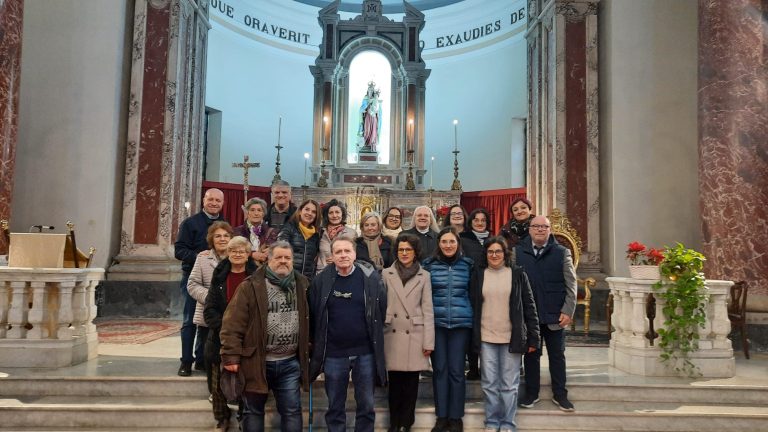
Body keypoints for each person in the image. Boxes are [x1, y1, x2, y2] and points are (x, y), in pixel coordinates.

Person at [220, 241, 311, 432]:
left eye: (287, 258)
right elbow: (232, 324)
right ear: (268, 260)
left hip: (289, 363)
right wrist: (231, 355)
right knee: (253, 412)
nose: (283, 261)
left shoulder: (302, 284)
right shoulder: (250, 286)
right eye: (278, 257)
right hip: (256, 361)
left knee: (292, 411)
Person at [309, 237, 387, 432]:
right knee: (335, 406)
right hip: (334, 353)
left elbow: (380, 310)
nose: (343, 255)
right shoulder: (320, 280)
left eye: (347, 251)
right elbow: (314, 313)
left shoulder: (370, 278)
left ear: (354, 254)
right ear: (332, 255)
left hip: (365, 353)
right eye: (338, 252)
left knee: (366, 405)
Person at [471, 237, 539, 432]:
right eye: (490, 252)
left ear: (505, 253)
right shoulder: (478, 274)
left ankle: (508, 423)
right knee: (489, 384)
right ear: (486, 254)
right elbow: (473, 305)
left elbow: (529, 306)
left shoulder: (517, 274)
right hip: (486, 337)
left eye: (498, 251)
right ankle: (492, 422)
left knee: (509, 384)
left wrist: (533, 337)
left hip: (511, 337)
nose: (494, 255)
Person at [515, 215, 577, 412]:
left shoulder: (562, 252)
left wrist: (568, 310)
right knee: (531, 355)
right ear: (530, 229)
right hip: (530, 316)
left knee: (557, 356)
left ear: (550, 230)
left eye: (544, 226)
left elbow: (571, 284)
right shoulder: (518, 252)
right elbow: (514, 285)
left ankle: (560, 394)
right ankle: (531, 394)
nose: (540, 229)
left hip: (555, 314)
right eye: (536, 226)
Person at [203, 236, 258, 431]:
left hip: (247, 339)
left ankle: (244, 417)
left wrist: (244, 331)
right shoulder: (219, 275)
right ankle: (222, 419)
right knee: (217, 386)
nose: (237, 254)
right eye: (233, 251)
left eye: (241, 251)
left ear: (248, 254)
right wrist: (226, 329)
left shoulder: (256, 277)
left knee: (246, 384)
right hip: (220, 339)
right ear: (227, 253)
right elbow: (209, 309)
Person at [422, 227, 474, 432]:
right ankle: (442, 416)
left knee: (457, 371)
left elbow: (473, 294)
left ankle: (456, 417)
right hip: (437, 325)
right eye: (444, 241)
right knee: (440, 370)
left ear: (458, 243)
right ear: (439, 244)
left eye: (452, 241)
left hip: (461, 325)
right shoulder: (428, 265)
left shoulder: (468, 265)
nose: (448, 245)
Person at [382, 233, 434, 432]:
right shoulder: (386, 274)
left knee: (411, 384)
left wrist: (429, 342)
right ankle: (394, 423)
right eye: (401, 249)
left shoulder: (424, 276)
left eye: (408, 250)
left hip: (415, 334)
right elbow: (381, 304)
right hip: (392, 333)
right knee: (394, 384)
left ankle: (406, 423)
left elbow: (428, 310)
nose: (404, 253)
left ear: (415, 252)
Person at [174, 187, 225, 377]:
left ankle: (202, 358)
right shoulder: (190, 223)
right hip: (193, 277)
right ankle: (186, 361)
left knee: (209, 320)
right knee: (190, 320)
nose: (214, 203)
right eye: (210, 199)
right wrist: (199, 257)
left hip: (217, 279)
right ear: (204, 200)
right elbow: (179, 251)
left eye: (218, 200)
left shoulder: (225, 224)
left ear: (222, 203)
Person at [187, 221, 233, 390]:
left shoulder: (236, 257)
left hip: (232, 313)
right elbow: (192, 284)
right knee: (211, 355)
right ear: (211, 239)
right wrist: (211, 298)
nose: (222, 239)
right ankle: (214, 390)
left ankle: (230, 389)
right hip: (209, 313)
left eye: (226, 236)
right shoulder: (202, 258)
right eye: (218, 236)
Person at [459, 208, 491, 381]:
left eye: (483, 220)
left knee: (487, 329)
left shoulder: (493, 240)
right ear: (470, 222)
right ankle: (472, 368)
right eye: (476, 220)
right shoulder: (463, 239)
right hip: (469, 289)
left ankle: (487, 367)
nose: (479, 223)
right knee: (472, 329)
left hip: (491, 290)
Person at [278, 199, 321, 281]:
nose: (309, 213)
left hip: (306, 281)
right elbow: (280, 251)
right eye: (307, 209)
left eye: (314, 212)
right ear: (300, 211)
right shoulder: (289, 228)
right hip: (288, 279)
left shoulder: (316, 235)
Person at [316, 199, 356, 274]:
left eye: (337, 212)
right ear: (327, 215)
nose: (334, 215)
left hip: (344, 273)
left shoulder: (352, 233)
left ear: (342, 214)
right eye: (331, 213)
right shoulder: (320, 233)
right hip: (323, 273)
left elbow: (356, 256)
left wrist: (338, 259)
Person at [234, 197, 277, 266]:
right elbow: (235, 250)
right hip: (243, 267)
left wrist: (271, 250)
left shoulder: (271, 232)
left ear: (263, 213)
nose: (256, 213)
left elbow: (273, 249)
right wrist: (251, 254)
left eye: (259, 210)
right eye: (252, 210)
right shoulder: (238, 231)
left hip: (264, 268)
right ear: (247, 212)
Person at [358, 81, 382, 151]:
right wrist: (364, 109)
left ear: (373, 91)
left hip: (373, 117)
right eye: (369, 90)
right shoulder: (365, 98)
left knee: (373, 130)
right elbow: (362, 108)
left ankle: (372, 143)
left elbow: (378, 109)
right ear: (367, 91)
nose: (370, 91)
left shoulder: (375, 98)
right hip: (367, 116)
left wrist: (375, 110)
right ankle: (365, 143)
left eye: (372, 90)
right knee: (367, 129)